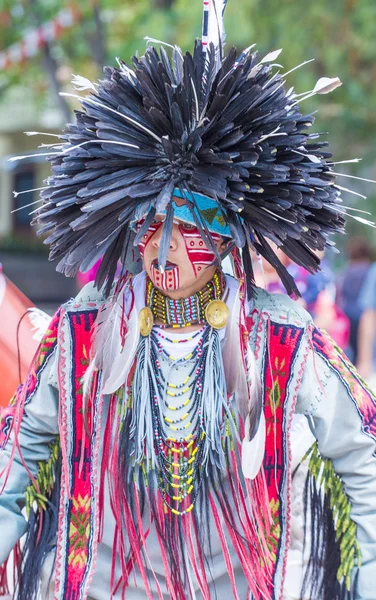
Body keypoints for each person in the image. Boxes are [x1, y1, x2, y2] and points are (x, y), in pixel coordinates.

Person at [1, 3, 376, 599]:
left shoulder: (283, 342)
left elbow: (365, 459)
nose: (166, 251)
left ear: (229, 237)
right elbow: (13, 460)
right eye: (152, 227)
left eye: (192, 230)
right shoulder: (81, 335)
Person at [337, 238, 373, 363]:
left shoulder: (347, 270)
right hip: (363, 314)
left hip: (347, 313)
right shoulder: (369, 270)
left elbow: (340, 291)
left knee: (350, 348)